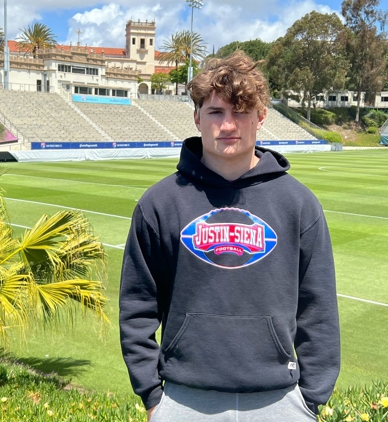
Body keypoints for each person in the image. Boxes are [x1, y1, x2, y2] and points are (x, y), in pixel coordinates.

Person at [119, 51, 340, 422]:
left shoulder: (298, 204)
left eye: (241, 111)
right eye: (216, 112)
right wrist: (154, 397)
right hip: (184, 401)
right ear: (196, 118)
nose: (228, 125)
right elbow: (137, 307)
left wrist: (310, 401)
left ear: (261, 117)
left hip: (280, 402)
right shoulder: (159, 203)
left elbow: (318, 310)